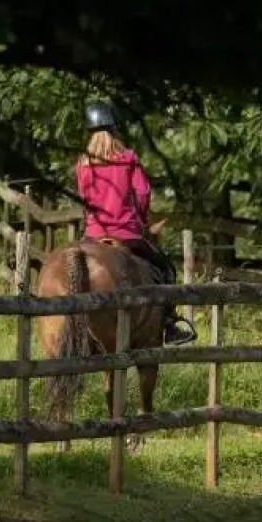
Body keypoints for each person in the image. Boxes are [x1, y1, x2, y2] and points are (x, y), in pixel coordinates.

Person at [76, 100, 196, 346]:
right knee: (165, 269)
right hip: (126, 234)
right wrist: (140, 219)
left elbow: (84, 199)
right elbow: (142, 193)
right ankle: (169, 324)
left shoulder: (83, 164)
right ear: (114, 129)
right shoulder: (128, 158)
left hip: (93, 235)